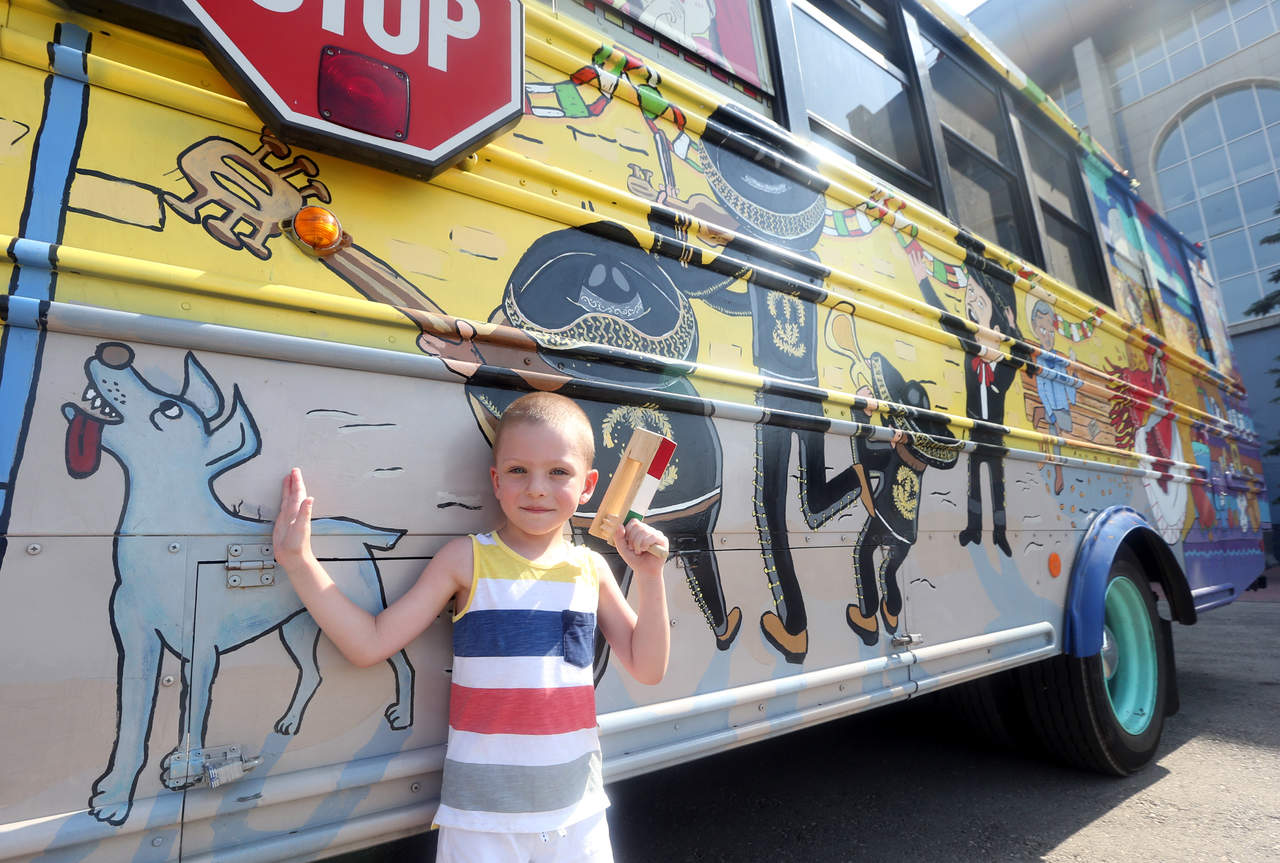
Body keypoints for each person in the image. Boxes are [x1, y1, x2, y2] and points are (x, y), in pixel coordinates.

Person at [272, 391, 671, 863]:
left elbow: (648, 669)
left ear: (588, 486)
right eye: (518, 470)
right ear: (496, 481)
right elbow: (369, 644)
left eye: (558, 472)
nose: (537, 488)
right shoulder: (465, 559)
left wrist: (650, 576)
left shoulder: (592, 569)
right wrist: (298, 561)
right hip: (482, 821)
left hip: (577, 815)